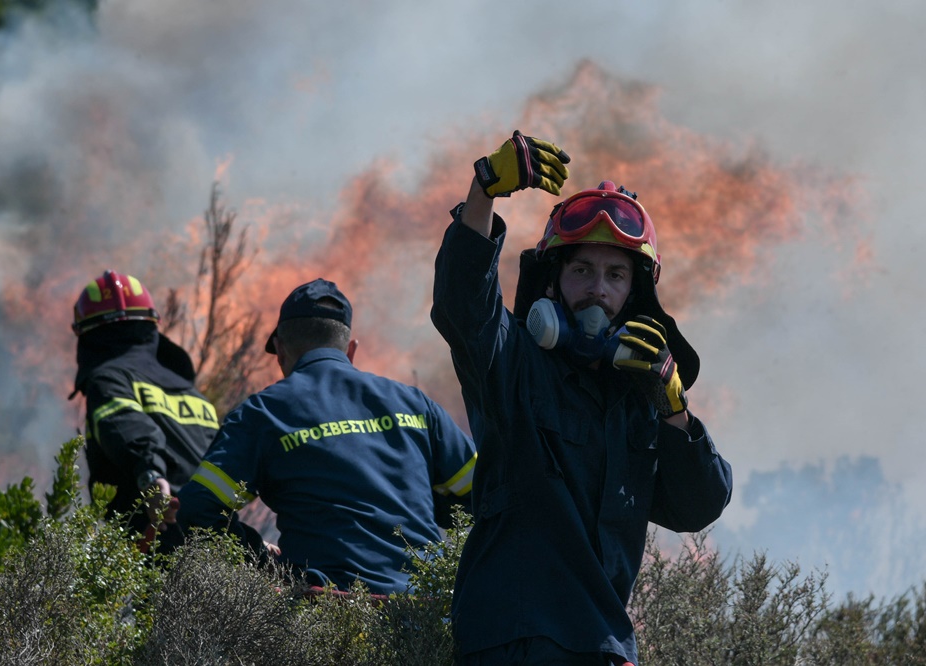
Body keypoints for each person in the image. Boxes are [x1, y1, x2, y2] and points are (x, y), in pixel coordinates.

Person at [431, 131, 733, 665]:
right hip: (514, 639)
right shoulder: (514, 364)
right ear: (553, 284)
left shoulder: (641, 405)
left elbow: (697, 505)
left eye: (615, 274)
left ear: (635, 296)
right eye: (582, 270)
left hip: (604, 647)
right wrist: (484, 191)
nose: (598, 288)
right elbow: (464, 305)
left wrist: (674, 412)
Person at [177, 278, 477, 595]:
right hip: (428, 615)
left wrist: (268, 563)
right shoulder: (416, 405)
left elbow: (197, 508)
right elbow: (486, 493)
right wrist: (422, 510)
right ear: (350, 350)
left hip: (328, 615)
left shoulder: (262, 414)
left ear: (279, 350)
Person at [71, 270, 219, 552]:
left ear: (87, 337)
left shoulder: (108, 380)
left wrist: (151, 476)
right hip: (219, 546)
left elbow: (128, 427)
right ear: (151, 326)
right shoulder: (193, 394)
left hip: (159, 542)